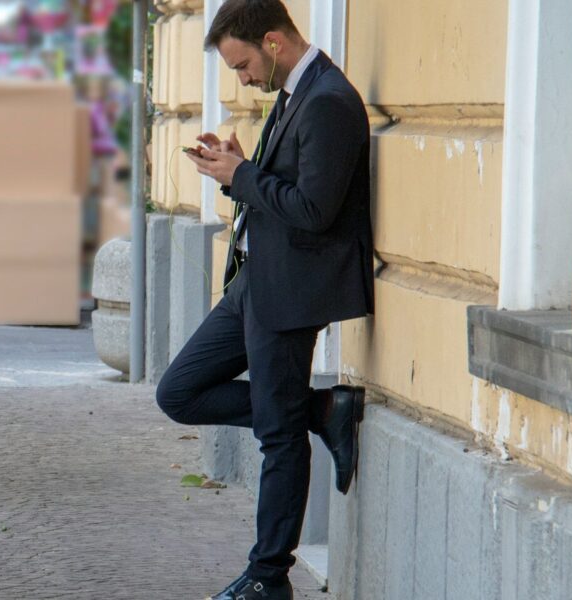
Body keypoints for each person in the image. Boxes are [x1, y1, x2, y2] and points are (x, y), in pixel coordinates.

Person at [154, 1, 375, 598]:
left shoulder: (329, 101)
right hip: (258, 279)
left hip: (292, 289)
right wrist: (239, 165)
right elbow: (291, 187)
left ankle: (268, 577)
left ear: (273, 42)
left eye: (244, 63)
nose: (242, 78)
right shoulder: (296, 94)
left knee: (277, 438)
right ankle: (322, 410)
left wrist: (240, 177)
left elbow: (315, 210)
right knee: (179, 391)